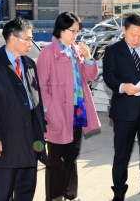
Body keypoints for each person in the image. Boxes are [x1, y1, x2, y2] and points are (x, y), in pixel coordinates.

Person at [0, 17, 48, 201]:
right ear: (13, 38)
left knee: (26, 190)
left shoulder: (30, 64)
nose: (31, 43)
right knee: (4, 192)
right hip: (6, 139)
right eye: (27, 39)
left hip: (30, 139)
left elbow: (35, 99)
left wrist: (41, 130)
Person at [36, 11, 101, 201]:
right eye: (72, 31)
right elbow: (42, 88)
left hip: (76, 111)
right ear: (61, 30)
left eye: (77, 31)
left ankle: (71, 195)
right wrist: (50, 113)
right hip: (57, 114)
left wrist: (88, 57)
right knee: (55, 160)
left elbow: (89, 77)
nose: (75, 35)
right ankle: (55, 197)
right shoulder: (48, 53)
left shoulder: (74, 51)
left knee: (72, 156)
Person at [103, 13, 140, 201]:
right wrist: (122, 87)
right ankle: (119, 192)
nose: (137, 40)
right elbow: (109, 76)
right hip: (124, 111)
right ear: (124, 30)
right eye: (133, 35)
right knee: (122, 155)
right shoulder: (113, 51)